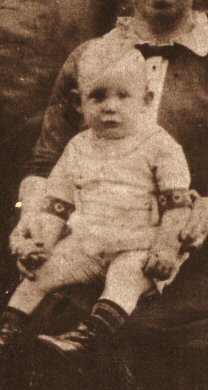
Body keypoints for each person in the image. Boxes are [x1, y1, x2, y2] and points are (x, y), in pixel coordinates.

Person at [9, 0, 208, 388]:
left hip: (185, 249)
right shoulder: (90, 55)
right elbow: (47, 161)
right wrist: (34, 225)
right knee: (44, 316)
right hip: (89, 237)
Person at [1, 52, 194, 354]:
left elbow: (177, 204)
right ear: (79, 103)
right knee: (39, 273)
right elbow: (57, 203)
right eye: (98, 97)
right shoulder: (77, 146)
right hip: (87, 241)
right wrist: (43, 243)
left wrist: (166, 246)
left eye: (123, 96)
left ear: (146, 99)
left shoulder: (159, 144)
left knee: (126, 276)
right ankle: (8, 331)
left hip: (139, 243)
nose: (110, 107)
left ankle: (86, 337)